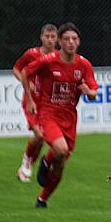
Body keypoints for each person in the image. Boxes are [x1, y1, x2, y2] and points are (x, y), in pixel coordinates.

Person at [22, 23, 98, 209]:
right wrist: (30, 100)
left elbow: (94, 92)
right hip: (48, 114)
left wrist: (89, 92)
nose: (71, 42)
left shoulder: (84, 64)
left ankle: (42, 199)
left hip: (69, 117)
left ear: (79, 42)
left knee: (61, 162)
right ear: (60, 42)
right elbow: (25, 72)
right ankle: (46, 160)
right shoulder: (48, 60)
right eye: (66, 39)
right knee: (61, 150)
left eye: (74, 39)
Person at [12, 24, 58, 182]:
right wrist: (27, 84)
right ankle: (27, 161)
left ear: (57, 39)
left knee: (43, 137)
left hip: (47, 104)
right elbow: (17, 69)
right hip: (30, 101)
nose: (50, 40)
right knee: (39, 135)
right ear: (41, 37)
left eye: (53, 37)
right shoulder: (31, 54)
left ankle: (28, 164)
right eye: (47, 36)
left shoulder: (58, 57)